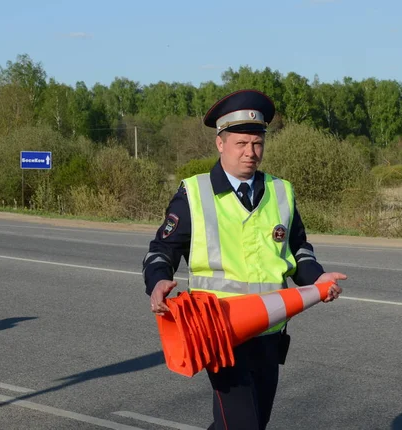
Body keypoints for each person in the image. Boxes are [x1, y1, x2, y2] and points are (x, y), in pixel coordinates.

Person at [142, 89, 347, 430]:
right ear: (220, 143)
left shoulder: (282, 191)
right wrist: (158, 280)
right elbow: (161, 250)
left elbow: (299, 250)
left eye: (257, 144)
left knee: (247, 423)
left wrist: (318, 279)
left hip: (270, 329)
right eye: (241, 144)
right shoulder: (194, 192)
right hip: (220, 331)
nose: (251, 153)